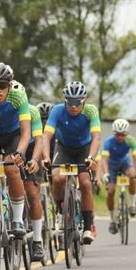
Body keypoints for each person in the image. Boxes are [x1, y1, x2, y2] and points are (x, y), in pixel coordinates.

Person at [42, 81, 101, 244]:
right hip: (64, 148)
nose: (73, 106)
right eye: (70, 102)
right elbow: (46, 136)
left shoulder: (91, 111)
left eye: (77, 103)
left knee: (85, 182)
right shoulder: (58, 111)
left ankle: (88, 227)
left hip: (84, 149)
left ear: (84, 101)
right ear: (65, 101)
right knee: (58, 178)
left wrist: (91, 157)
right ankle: (61, 214)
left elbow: (96, 137)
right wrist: (46, 157)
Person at [0, 63, 31, 239]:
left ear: (9, 86)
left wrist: (20, 152)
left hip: (13, 135)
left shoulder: (18, 97)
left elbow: (26, 132)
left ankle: (17, 220)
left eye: (2, 86)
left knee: (11, 168)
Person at [101, 118, 136, 234]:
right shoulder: (108, 142)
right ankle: (112, 220)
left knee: (132, 174)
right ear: (114, 133)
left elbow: (135, 156)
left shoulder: (131, 141)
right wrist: (105, 174)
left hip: (124, 162)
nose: (120, 137)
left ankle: (132, 205)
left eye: (123, 134)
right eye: (118, 135)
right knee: (110, 191)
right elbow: (104, 159)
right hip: (111, 165)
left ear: (127, 133)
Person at [24, 102, 45, 260]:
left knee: (32, 193)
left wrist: (36, 160)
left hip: (31, 149)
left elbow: (40, 140)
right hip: (11, 145)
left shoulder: (31, 112)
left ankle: (37, 240)